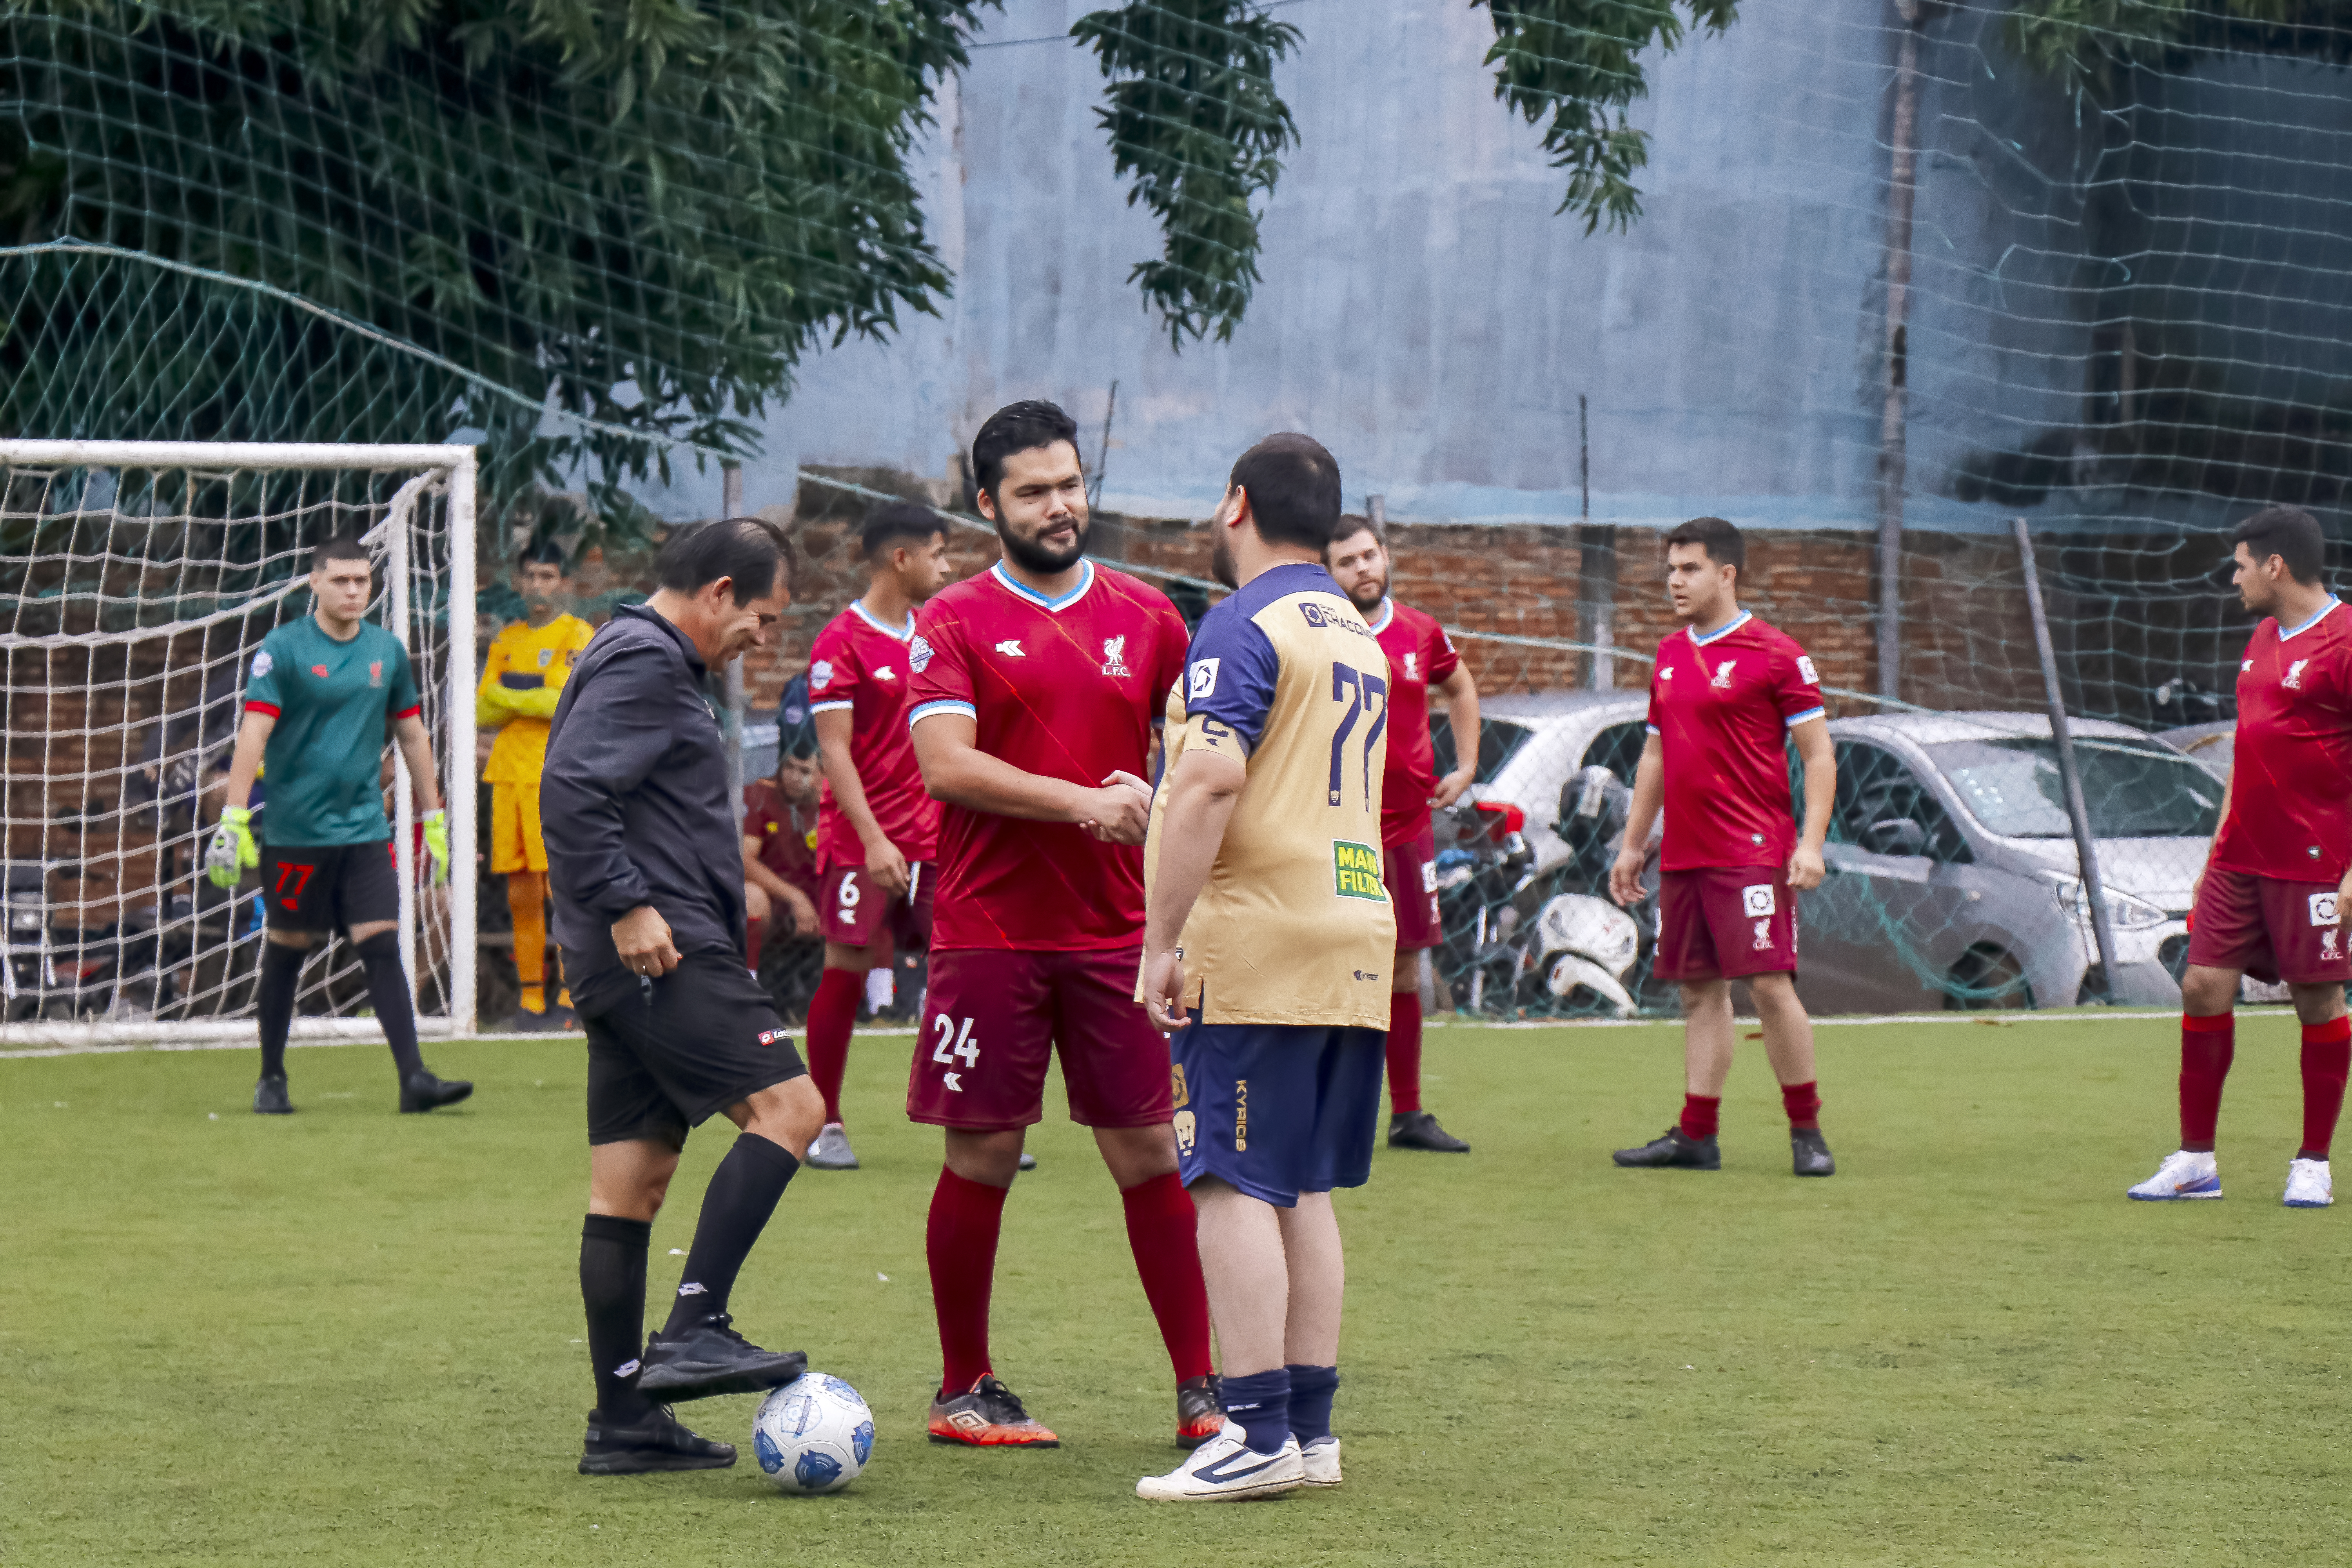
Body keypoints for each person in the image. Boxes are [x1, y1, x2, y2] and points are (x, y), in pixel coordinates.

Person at [906, 399, 1218, 1451]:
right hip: (989, 932)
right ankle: (964, 1388)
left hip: (1118, 935)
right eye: (1034, 491)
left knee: (1149, 1153)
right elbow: (945, 764)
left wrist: (1169, 812)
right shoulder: (949, 619)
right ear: (987, 503)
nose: (1059, 506)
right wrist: (1086, 799)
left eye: (1070, 484)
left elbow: (1209, 753)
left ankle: (1201, 1394)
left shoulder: (1151, 618)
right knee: (985, 1152)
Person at [1135, 432, 1392, 1501]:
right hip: (1354, 935)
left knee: (1228, 1180)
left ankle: (1250, 1433)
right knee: (1303, 1189)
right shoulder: (1360, 633)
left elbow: (1209, 784)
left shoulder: (1242, 622)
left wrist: (1158, 942)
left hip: (1258, 938)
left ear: (1234, 504)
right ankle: (1310, 1431)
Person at [543, 515, 827, 1476]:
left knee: (630, 1184)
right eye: (760, 616)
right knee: (793, 1107)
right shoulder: (648, 663)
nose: (762, 635)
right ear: (716, 593)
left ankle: (622, 1420)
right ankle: (696, 1325)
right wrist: (629, 905)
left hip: (631, 960)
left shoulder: (637, 654)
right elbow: (572, 790)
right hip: (661, 950)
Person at [2130, 505, 2352, 1209]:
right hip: (2238, 859)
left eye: (2241, 564)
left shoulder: (2346, 642)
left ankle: (2313, 1161)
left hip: (2316, 858)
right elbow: (2248, 752)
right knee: (2201, 987)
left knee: (2317, 1000)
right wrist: (2212, 854)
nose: (2235, 578)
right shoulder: (2260, 636)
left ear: (2274, 566)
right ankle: (2196, 1161)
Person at [205, 535, 470, 1117]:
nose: (354, 591)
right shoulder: (284, 649)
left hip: (364, 832)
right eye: (341, 581)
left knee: (381, 942)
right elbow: (253, 732)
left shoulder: (387, 651)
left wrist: (436, 816)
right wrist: (233, 814)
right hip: (296, 835)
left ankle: (414, 1079)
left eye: (362, 581)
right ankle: (271, 1076)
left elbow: (411, 734)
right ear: (315, 584)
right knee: (288, 949)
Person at [1606, 516, 1837, 1177]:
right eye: (1671, 569)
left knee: (1768, 984)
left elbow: (1818, 754)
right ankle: (1697, 1135)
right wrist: (1632, 844)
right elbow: (1654, 754)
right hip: (1684, 853)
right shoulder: (1670, 653)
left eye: (1690, 569)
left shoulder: (1776, 652)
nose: (1674, 581)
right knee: (1698, 991)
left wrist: (1812, 843)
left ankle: (1806, 1129)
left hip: (1753, 851)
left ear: (1726, 574)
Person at [798, 501, 955, 1171]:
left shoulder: (938, 635)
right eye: (939, 554)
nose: (947, 568)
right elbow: (835, 754)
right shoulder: (840, 642)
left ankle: (978, 1124)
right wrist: (874, 841)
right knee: (846, 972)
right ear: (902, 558)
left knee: (967, 971)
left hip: (938, 840)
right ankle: (821, 1122)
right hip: (863, 842)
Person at [1325, 514, 1479, 1152]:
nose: (1363, 569)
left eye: (1369, 556)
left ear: (1384, 556)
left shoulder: (1420, 631)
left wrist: (1466, 766)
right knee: (1335, 964)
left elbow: (1460, 686)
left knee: (1407, 962)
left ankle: (1408, 1114)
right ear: (1328, 573)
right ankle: (1329, 1109)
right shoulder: (1320, 633)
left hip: (1410, 827)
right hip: (1338, 828)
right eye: (1347, 562)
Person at [478, 541, 596, 1029]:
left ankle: (573, 999)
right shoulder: (506, 638)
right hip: (507, 776)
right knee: (520, 893)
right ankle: (530, 1003)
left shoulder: (578, 634)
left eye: (549, 575)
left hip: (556, 776)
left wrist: (512, 695)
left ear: (564, 583)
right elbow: (482, 706)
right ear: (521, 581)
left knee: (562, 891)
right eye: (532, 576)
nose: (540, 585)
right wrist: (528, 693)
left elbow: (561, 701)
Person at [741, 705, 826, 1020]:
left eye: (804, 771)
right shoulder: (761, 794)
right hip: (781, 901)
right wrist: (796, 898)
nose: (793, 777)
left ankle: (880, 1003)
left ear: (823, 773)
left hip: (827, 901)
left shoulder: (838, 801)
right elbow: (746, 861)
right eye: (788, 767)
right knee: (752, 897)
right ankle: (747, 991)